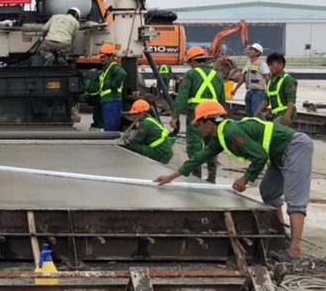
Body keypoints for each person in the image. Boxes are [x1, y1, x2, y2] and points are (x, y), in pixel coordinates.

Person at [155, 101, 313, 261]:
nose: (197, 128)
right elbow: (200, 158)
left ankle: (294, 249)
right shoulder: (222, 135)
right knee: (268, 191)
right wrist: (171, 177)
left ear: (208, 123)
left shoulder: (231, 132)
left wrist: (245, 178)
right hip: (279, 154)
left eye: (198, 124)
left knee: (295, 200)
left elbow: (260, 157)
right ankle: (280, 237)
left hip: (294, 147)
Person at [169, 46, 225, 183]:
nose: (190, 65)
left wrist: (175, 115)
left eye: (189, 62)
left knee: (194, 146)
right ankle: (212, 177)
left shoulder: (191, 75)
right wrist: (222, 117)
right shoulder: (217, 75)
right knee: (212, 146)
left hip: (197, 115)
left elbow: (182, 96)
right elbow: (222, 99)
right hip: (214, 117)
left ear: (193, 61)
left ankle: (196, 177)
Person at [123, 100, 173, 164]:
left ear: (142, 113)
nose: (133, 116)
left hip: (160, 153)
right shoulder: (152, 119)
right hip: (165, 152)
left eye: (135, 114)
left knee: (133, 146)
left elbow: (137, 140)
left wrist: (126, 141)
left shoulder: (145, 124)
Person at [257, 53, 298, 125]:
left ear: (281, 65)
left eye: (273, 65)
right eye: (269, 65)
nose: (270, 67)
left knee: (273, 130)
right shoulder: (270, 81)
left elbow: (291, 99)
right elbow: (266, 99)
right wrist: (259, 110)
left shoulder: (288, 80)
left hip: (285, 113)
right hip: (275, 114)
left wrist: (288, 115)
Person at [233, 44, 269, 117]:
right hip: (249, 91)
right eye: (249, 50)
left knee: (257, 112)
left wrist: (269, 91)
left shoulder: (261, 64)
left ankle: (262, 126)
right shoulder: (248, 64)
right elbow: (243, 77)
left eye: (251, 50)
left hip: (258, 92)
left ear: (258, 53)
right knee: (249, 112)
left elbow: (267, 78)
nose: (249, 51)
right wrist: (235, 89)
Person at [97, 43, 126, 132]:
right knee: (109, 124)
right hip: (108, 100)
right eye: (101, 57)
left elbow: (123, 74)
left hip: (112, 100)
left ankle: (111, 141)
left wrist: (114, 86)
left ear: (111, 57)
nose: (102, 59)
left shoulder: (114, 67)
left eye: (104, 57)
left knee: (111, 125)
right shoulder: (107, 68)